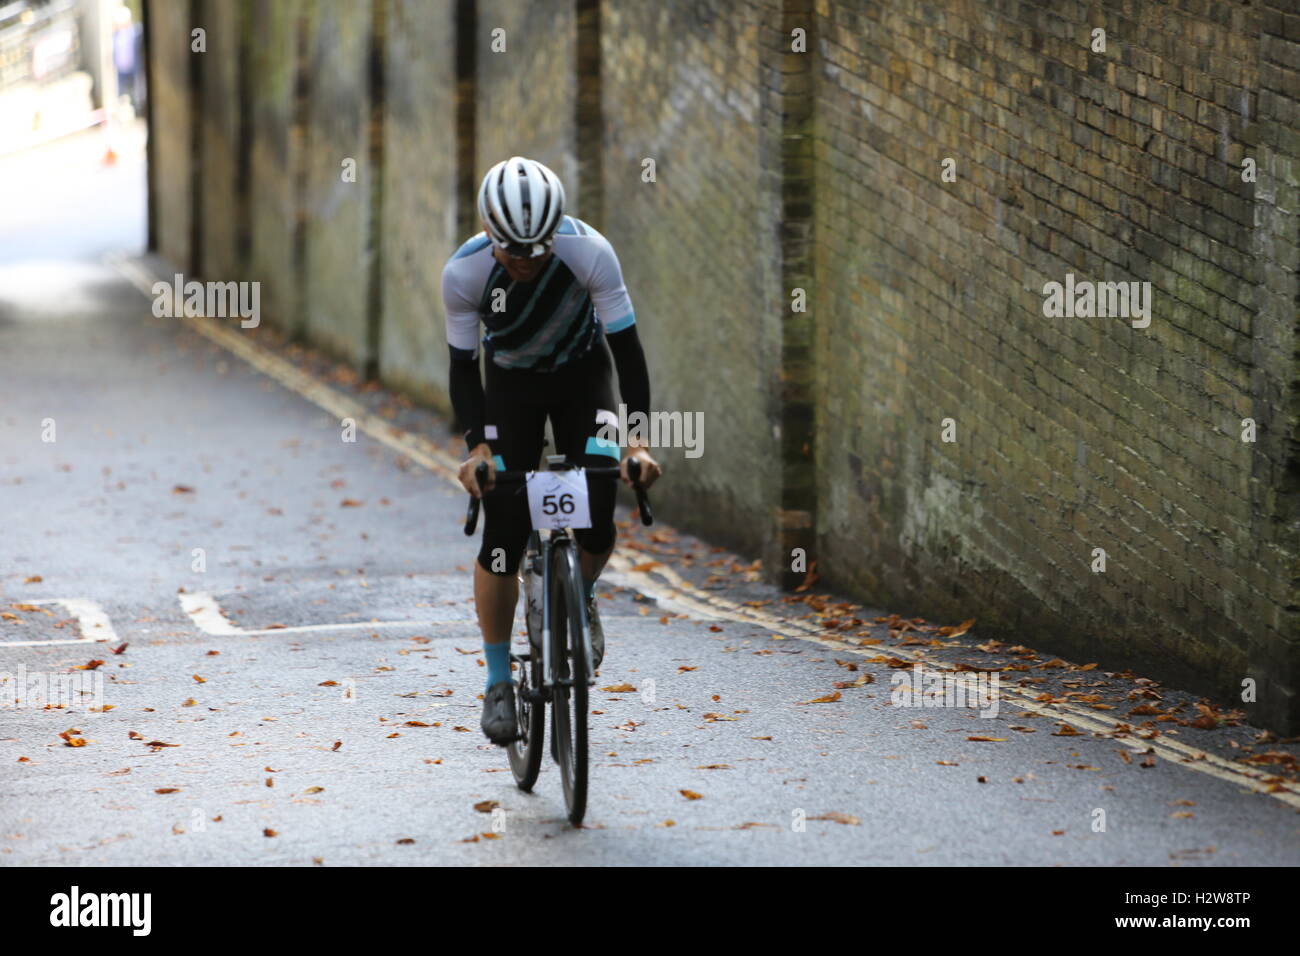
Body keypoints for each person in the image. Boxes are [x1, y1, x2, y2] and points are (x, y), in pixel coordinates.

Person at [441, 156, 661, 744]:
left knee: (596, 514)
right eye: (513, 252)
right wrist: (479, 447)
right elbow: (464, 371)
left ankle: (580, 598)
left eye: (538, 251)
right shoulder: (463, 275)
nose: (527, 263)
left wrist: (635, 439)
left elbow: (628, 353)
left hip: (582, 379)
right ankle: (495, 682)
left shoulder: (590, 253)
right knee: (503, 535)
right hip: (509, 387)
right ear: (489, 232)